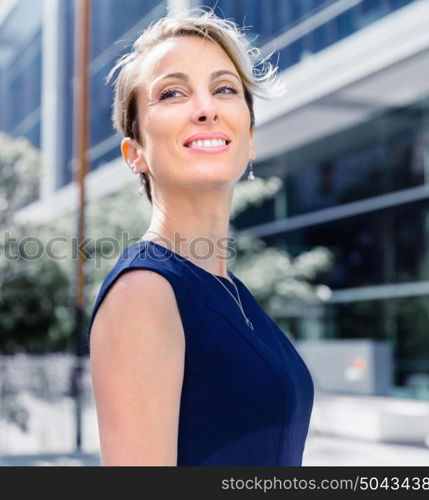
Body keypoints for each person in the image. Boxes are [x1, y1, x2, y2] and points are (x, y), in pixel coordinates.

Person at [88, 8, 315, 466]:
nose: (206, 107)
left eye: (224, 88)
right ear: (136, 154)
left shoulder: (231, 292)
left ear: (249, 138)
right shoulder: (145, 293)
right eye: (172, 93)